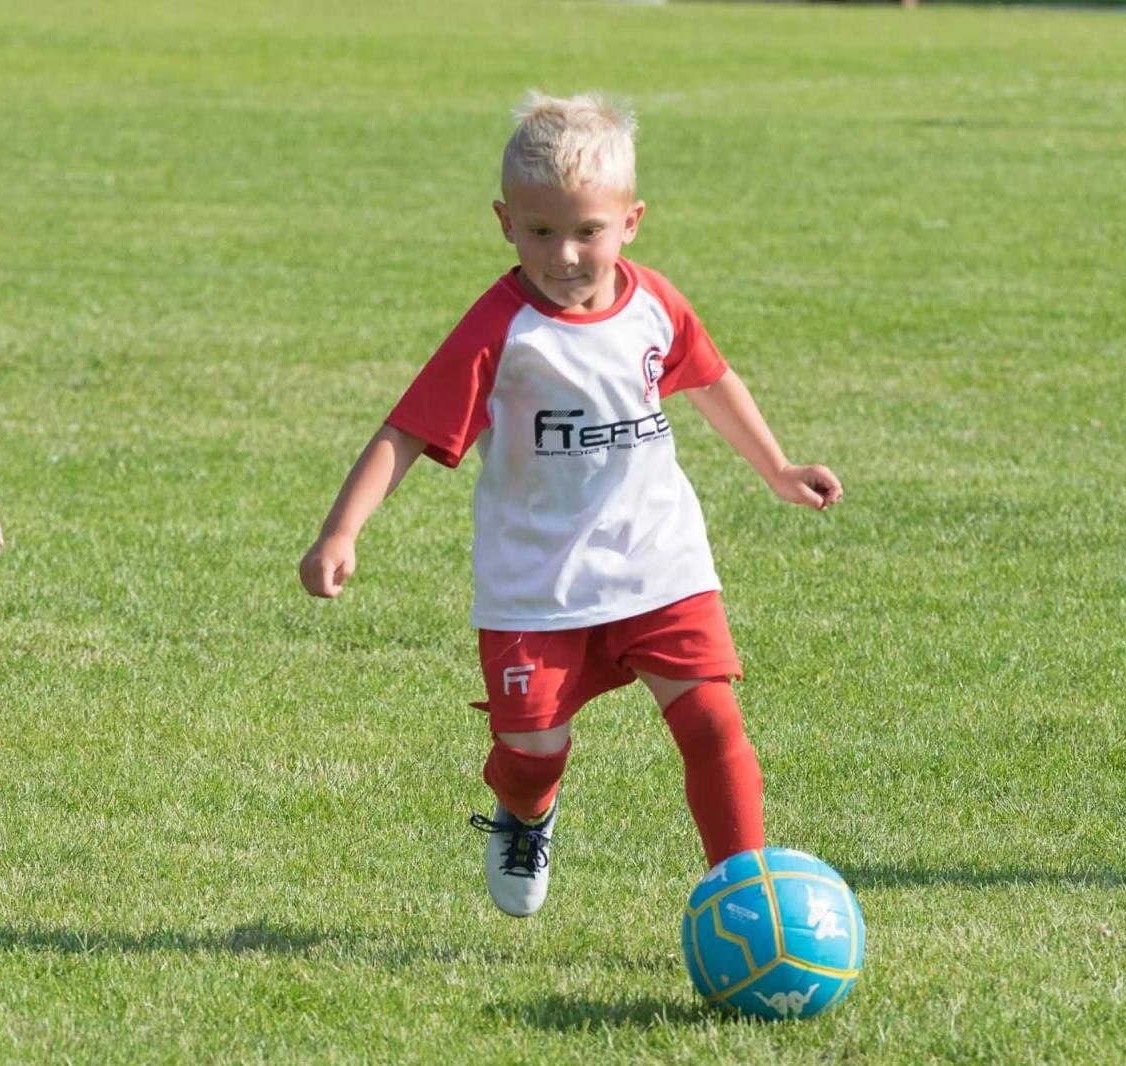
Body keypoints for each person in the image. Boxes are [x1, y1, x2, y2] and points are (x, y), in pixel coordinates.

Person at [299, 92, 843, 918]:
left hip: (658, 562)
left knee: (712, 726)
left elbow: (710, 377)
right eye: (541, 231)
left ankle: (748, 894)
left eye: (587, 230)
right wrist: (342, 530)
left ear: (630, 222)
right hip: (537, 584)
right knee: (531, 754)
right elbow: (407, 430)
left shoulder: (655, 301)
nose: (564, 254)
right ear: (505, 223)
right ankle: (526, 814)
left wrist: (775, 467)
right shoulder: (499, 329)